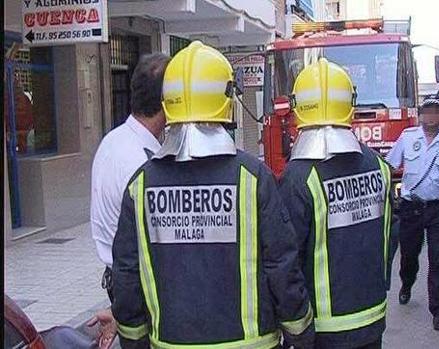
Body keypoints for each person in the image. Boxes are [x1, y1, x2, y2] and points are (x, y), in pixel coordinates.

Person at [111, 41, 314, 349]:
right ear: (227, 98)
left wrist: (134, 341)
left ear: (168, 102)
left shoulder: (140, 185)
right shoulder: (252, 177)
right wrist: (299, 331)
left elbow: (127, 275)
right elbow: (281, 265)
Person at [278, 58, 398, 349]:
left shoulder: (299, 176)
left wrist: (293, 323)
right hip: (372, 316)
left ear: (298, 109)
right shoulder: (378, 166)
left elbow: (285, 259)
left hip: (321, 328)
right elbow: (390, 236)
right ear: (350, 105)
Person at [89, 53, 170, 347]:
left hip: (122, 282)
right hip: (138, 287)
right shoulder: (140, 164)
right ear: (167, 102)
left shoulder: (114, 141)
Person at [386, 98, 439, 332]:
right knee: (409, 255)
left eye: (436, 113)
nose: (431, 117)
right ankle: (407, 282)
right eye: (427, 113)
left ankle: (438, 311)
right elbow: (389, 167)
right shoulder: (407, 137)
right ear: (421, 115)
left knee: (438, 259)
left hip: (438, 210)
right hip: (411, 209)